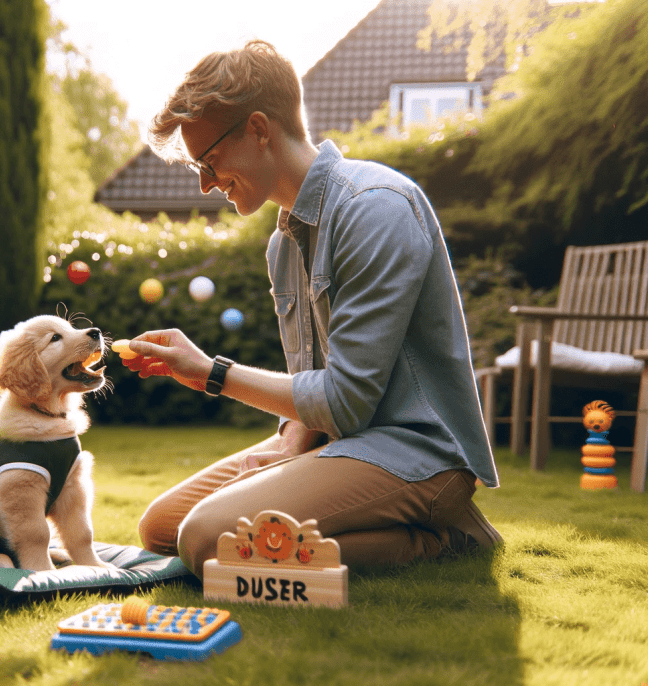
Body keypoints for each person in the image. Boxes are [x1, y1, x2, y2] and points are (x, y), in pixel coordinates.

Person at [122, 39, 502, 578]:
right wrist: (287, 449)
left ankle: (438, 538)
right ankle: (391, 528)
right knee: (162, 528)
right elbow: (312, 378)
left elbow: (345, 401)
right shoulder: (282, 245)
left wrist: (211, 373)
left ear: (259, 129)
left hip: (416, 453)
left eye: (209, 160)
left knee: (206, 540)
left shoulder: (375, 208)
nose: (205, 184)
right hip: (341, 444)